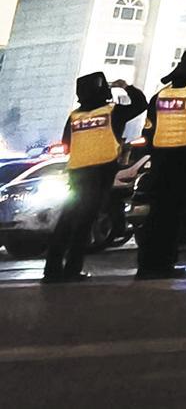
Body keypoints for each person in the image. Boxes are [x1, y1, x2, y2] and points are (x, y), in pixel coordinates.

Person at [44, 71, 147, 282]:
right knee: (84, 224)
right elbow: (140, 104)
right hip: (100, 173)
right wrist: (126, 87)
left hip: (77, 173)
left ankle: (52, 271)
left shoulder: (74, 116)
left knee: (66, 222)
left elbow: (67, 143)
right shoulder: (112, 112)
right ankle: (72, 270)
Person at [136, 48, 186, 278]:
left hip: (160, 164)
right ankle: (164, 265)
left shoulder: (160, 95)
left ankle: (146, 265)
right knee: (175, 217)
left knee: (156, 215)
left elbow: (148, 132)